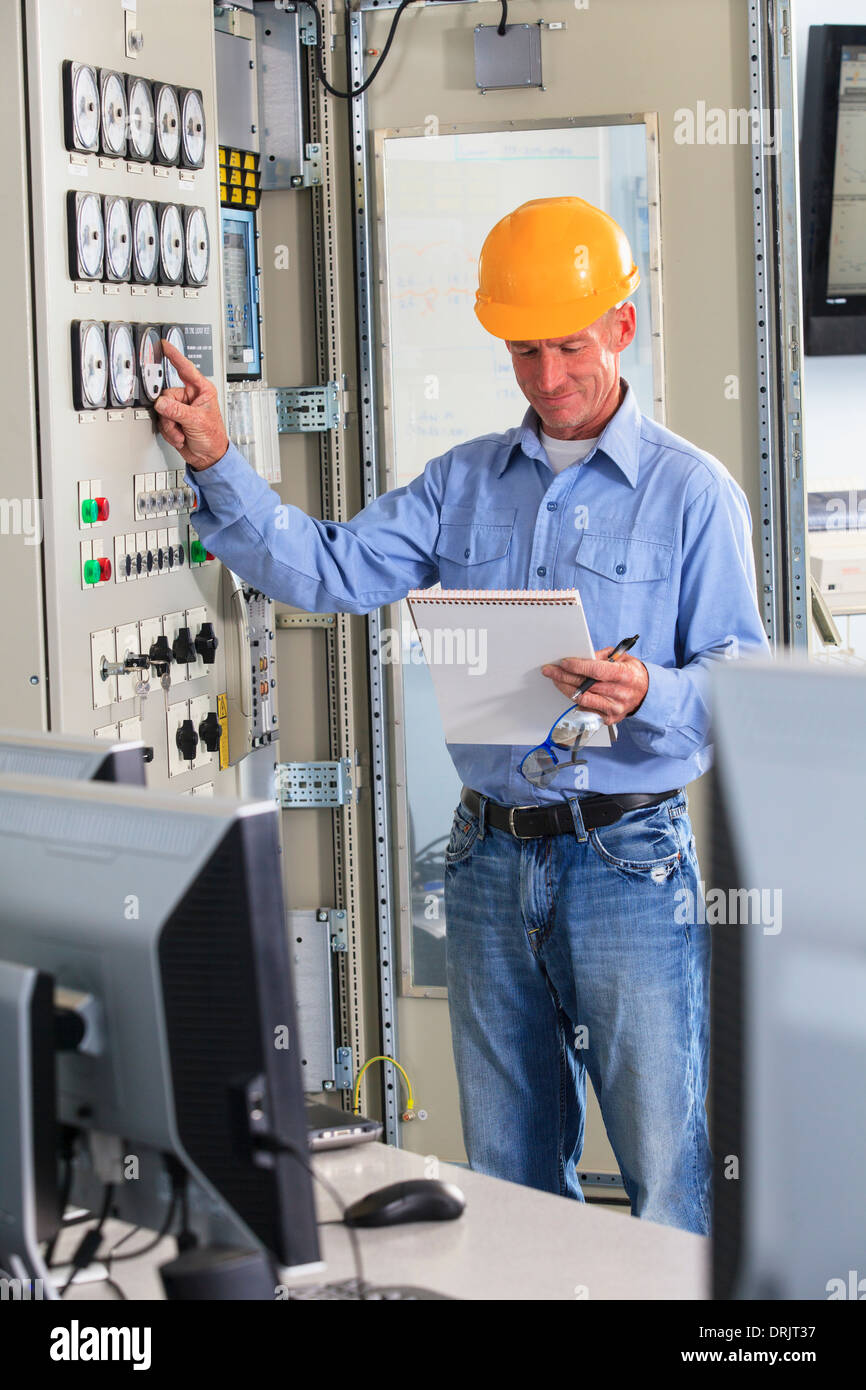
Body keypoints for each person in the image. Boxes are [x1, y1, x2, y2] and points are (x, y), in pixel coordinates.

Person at [154, 196, 770, 1235]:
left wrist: (650, 693)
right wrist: (217, 460)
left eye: (568, 346)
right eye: (522, 351)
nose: (546, 377)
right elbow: (332, 568)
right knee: (511, 1172)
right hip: (485, 862)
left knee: (667, 1174)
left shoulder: (689, 493)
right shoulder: (463, 484)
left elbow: (739, 684)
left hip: (626, 863)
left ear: (621, 326)